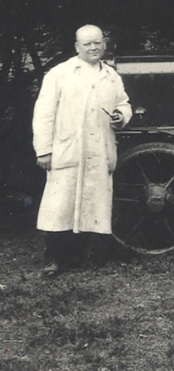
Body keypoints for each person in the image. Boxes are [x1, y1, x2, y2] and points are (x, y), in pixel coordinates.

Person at [33, 25, 131, 277]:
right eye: (87, 43)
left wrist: (121, 116)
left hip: (99, 148)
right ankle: (53, 259)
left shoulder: (111, 76)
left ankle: (77, 255)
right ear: (76, 47)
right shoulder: (60, 74)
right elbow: (43, 114)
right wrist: (43, 149)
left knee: (91, 202)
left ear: (104, 44)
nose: (93, 47)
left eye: (97, 42)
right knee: (60, 205)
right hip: (68, 149)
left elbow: (123, 103)